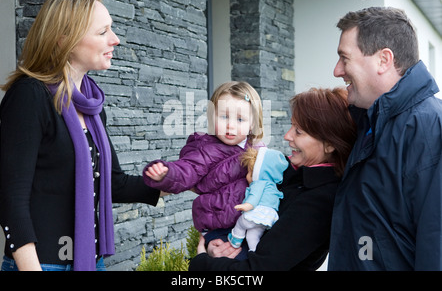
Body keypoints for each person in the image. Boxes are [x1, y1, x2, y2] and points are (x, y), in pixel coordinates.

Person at [0, 0, 161, 271]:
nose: (115, 39)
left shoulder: (91, 102)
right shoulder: (29, 96)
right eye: (103, 32)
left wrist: (179, 178)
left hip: (88, 262)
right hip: (43, 265)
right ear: (64, 39)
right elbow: (12, 203)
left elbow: (114, 184)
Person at [189, 87, 357, 271]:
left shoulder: (319, 201)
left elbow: (259, 270)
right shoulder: (291, 173)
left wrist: (202, 263)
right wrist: (221, 246)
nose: (287, 136)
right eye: (292, 126)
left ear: (330, 144)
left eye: (299, 131)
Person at [328, 7, 442, 270]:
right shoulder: (369, 123)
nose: (337, 71)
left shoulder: (429, 130)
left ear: (383, 60)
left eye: (344, 58)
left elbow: (436, 245)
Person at [143, 81, 264, 234]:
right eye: (224, 117)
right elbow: (188, 168)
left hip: (253, 222)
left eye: (240, 119)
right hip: (219, 224)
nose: (231, 126)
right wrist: (167, 174)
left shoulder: (259, 149)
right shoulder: (206, 148)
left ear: (252, 123)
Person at [227, 147, 289, 252]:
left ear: (257, 173)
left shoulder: (259, 183)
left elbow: (254, 196)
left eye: (250, 172)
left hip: (258, 211)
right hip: (268, 217)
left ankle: (235, 239)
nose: (247, 176)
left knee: (242, 223)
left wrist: (247, 205)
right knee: (253, 235)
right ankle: (254, 251)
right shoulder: (273, 186)